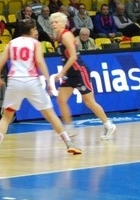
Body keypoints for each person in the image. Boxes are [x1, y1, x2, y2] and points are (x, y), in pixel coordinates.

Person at [0, 18, 82, 158]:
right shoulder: (35, 43)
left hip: (14, 82)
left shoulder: (11, 43)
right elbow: (39, 61)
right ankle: (69, 144)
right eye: (35, 29)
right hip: (31, 81)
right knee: (50, 115)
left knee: (6, 117)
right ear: (31, 30)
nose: (36, 31)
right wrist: (48, 81)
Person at [49, 11, 117, 141]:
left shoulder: (66, 35)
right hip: (70, 74)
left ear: (63, 23)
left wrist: (62, 72)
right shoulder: (58, 37)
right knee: (61, 100)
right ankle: (69, 129)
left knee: (89, 102)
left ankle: (109, 125)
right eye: (52, 22)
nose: (53, 24)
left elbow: (73, 56)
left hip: (79, 72)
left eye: (56, 22)